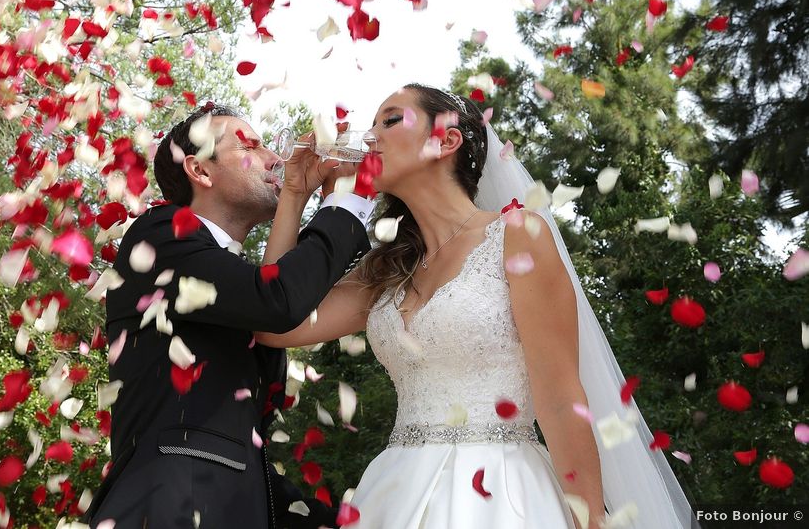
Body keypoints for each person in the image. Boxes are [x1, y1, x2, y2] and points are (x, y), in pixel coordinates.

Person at [255, 85, 698, 529]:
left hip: (504, 496)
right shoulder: (385, 269)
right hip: (395, 496)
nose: (370, 137)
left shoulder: (517, 235)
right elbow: (277, 323)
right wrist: (294, 193)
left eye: (389, 120)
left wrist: (591, 523)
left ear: (447, 141)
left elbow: (561, 399)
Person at [82, 102, 376, 528]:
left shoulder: (231, 284)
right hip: (171, 507)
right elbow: (277, 300)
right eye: (251, 146)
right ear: (200, 171)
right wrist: (349, 204)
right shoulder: (162, 234)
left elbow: (239, 446)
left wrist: (295, 192)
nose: (274, 157)